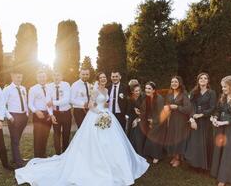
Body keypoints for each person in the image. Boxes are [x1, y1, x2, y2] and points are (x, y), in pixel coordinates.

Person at [15, 72, 149, 186]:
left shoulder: (106, 90)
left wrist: (106, 111)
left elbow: (105, 103)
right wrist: (100, 113)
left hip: (107, 115)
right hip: (96, 115)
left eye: (104, 77)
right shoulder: (95, 90)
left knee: (112, 141)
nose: (103, 79)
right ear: (98, 79)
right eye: (101, 77)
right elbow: (91, 105)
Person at [185, 73, 216, 171]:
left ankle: (204, 165)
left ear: (208, 81)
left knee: (205, 141)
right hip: (195, 119)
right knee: (195, 141)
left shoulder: (212, 93)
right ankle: (194, 163)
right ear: (198, 80)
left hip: (205, 120)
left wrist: (201, 114)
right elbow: (190, 106)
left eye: (205, 78)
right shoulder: (194, 92)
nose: (203, 79)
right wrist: (193, 117)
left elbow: (212, 108)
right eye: (201, 78)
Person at [3, 70, 29, 168]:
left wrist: (26, 113)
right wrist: (9, 116)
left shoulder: (23, 88)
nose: (20, 79)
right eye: (17, 77)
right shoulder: (7, 89)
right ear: (12, 77)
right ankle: (19, 163)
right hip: (13, 117)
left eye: (21, 77)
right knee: (15, 139)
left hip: (23, 116)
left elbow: (25, 101)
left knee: (17, 139)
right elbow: (2, 105)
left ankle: (15, 158)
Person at [164, 76, 192, 167]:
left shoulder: (183, 93)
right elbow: (167, 105)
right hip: (172, 118)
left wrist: (177, 107)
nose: (174, 84)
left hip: (181, 119)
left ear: (179, 83)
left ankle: (178, 158)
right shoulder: (170, 93)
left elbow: (188, 108)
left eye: (176, 82)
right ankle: (174, 155)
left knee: (178, 137)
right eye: (172, 82)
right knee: (172, 136)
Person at [46, 70, 72, 155]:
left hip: (66, 113)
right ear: (52, 77)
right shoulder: (49, 86)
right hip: (55, 114)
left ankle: (65, 154)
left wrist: (53, 102)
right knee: (56, 136)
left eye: (58, 75)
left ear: (61, 77)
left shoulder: (66, 85)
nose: (56, 77)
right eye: (54, 75)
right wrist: (51, 114)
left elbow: (66, 100)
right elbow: (47, 102)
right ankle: (58, 154)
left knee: (66, 134)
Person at [28, 70, 52, 158]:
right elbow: (30, 104)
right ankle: (37, 157)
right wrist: (36, 111)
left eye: (44, 76)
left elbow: (50, 101)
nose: (42, 78)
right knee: (38, 136)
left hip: (48, 115)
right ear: (37, 78)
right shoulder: (33, 89)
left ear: (46, 77)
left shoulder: (50, 88)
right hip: (38, 114)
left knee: (45, 136)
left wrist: (50, 113)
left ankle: (43, 154)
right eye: (40, 77)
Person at [143, 82, 166, 164]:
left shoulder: (159, 99)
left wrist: (154, 121)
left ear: (154, 90)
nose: (147, 90)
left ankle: (157, 156)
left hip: (160, 122)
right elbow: (149, 110)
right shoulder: (148, 98)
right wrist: (149, 119)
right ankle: (150, 153)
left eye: (149, 88)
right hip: (153, 120)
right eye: (146, 88)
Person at [126, 83, 144, 152]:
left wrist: (137, 119)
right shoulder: (130, 99)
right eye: (136, 91)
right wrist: (133, 109)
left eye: (139, 90)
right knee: (131, 130)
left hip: (141, 118)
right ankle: (131, 150)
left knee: (137, 130)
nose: (138, 92)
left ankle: (139, 150)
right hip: (131, 118)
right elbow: (127, 111)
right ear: (132, 91)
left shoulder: (143, 98)